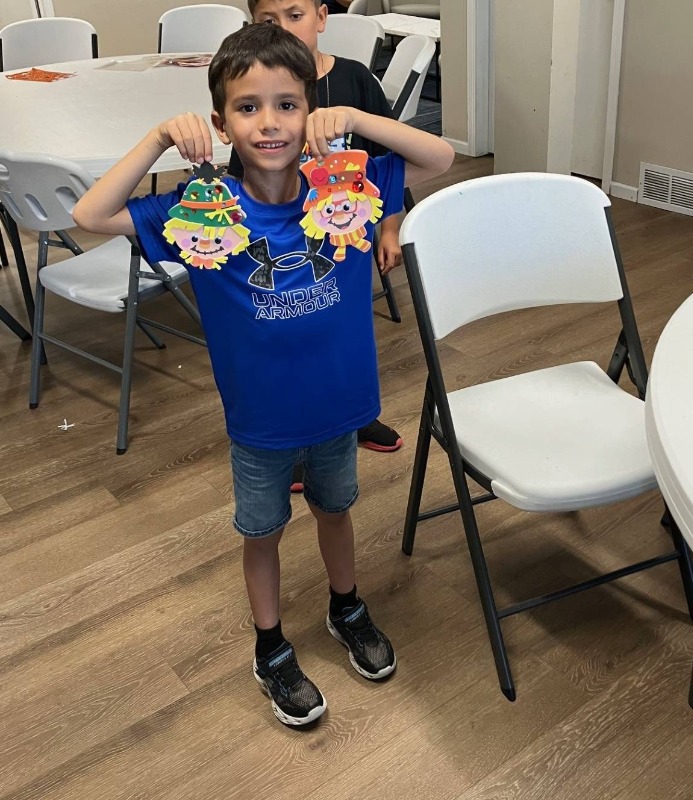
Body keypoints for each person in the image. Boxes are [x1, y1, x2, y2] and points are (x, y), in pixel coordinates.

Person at [73, 23, 454, 727]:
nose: (269, 122)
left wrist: (360, 119)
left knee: (336, 512)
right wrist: (159, 137)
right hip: (261, 424)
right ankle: (271, 646)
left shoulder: (348, 187)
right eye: (248, 107)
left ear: (309, 110)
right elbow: (89, 214)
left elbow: (440, 155)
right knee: (263, 532)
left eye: (287, 104)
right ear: (221, 123)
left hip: (340, 408)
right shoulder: (198, 213)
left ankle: (347, 606)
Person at [238, 0, 405, 485]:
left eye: (295, 15)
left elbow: (391, 157)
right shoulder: (257, 89)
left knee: (342, 341)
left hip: (345, 241)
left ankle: (353, 419)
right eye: (269, 21)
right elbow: (242, 178)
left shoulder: (353, 79)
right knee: (292, 346)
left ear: (321, 18)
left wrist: (389, 228)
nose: (285, 29)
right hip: (283, 250)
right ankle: (292, 443)